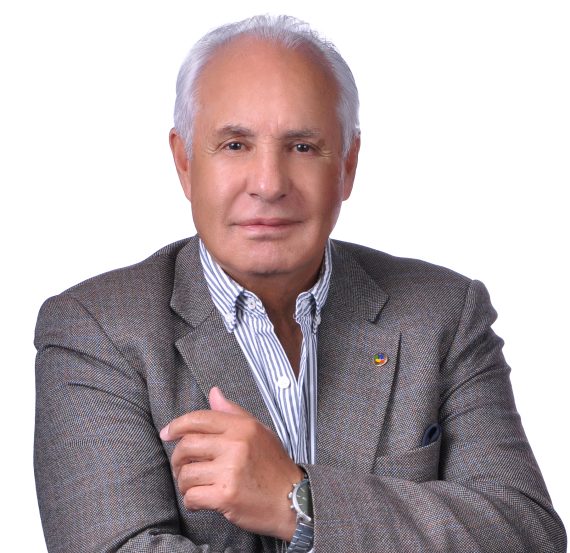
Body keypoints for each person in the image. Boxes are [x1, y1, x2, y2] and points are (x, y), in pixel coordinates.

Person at [34, 14, 566, 553]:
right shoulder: (96, 331)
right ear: (184, 162)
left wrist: (301, 502)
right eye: (235, 145)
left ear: (348, 164)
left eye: (303, 147)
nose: (269, 185)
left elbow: (527, 534)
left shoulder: (444, 313)